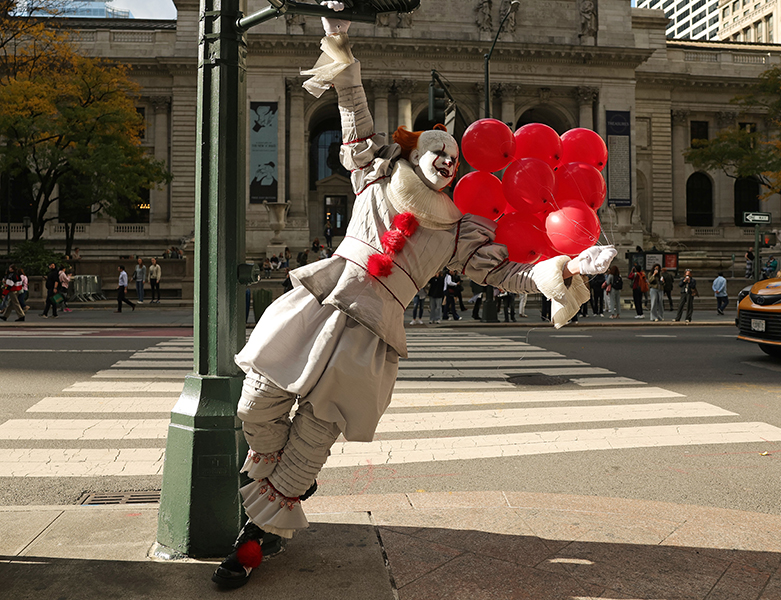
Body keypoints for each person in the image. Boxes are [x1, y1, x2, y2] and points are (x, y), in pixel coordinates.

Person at [211, 12, 618, 589]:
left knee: (312, 442)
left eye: (455, 156)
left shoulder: (456, 231)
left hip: (372, 333)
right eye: (437, 148)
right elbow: (354, 112)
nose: (448, 158)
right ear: (415, 150)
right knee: (255, 405)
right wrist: (338, 43)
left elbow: (504, 274)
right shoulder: (373, 177)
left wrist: (567, 267)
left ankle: (254, 539)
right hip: (321, 303)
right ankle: (277, 483)